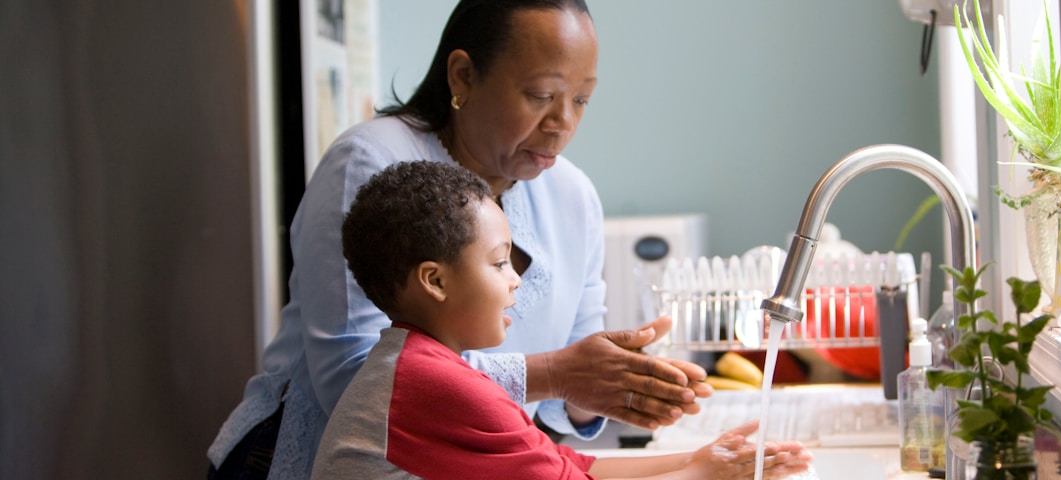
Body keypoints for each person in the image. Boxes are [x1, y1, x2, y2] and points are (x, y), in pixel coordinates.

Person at [208, 1, 712, 478]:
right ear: (463, 76)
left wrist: (612, 384)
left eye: (581, 99)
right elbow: (355, 381)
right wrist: (558, 373)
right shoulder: (370, 162)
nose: (563, 124)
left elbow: (562, 411)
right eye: (541, 96)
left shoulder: (573, 195)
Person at [312, 160, 812, 479]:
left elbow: (568, 465)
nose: (516, 281)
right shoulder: (436, 385)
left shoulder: (418, 365)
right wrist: (705, 474)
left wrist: (698, 458)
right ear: (435, 281)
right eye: (499, 261)